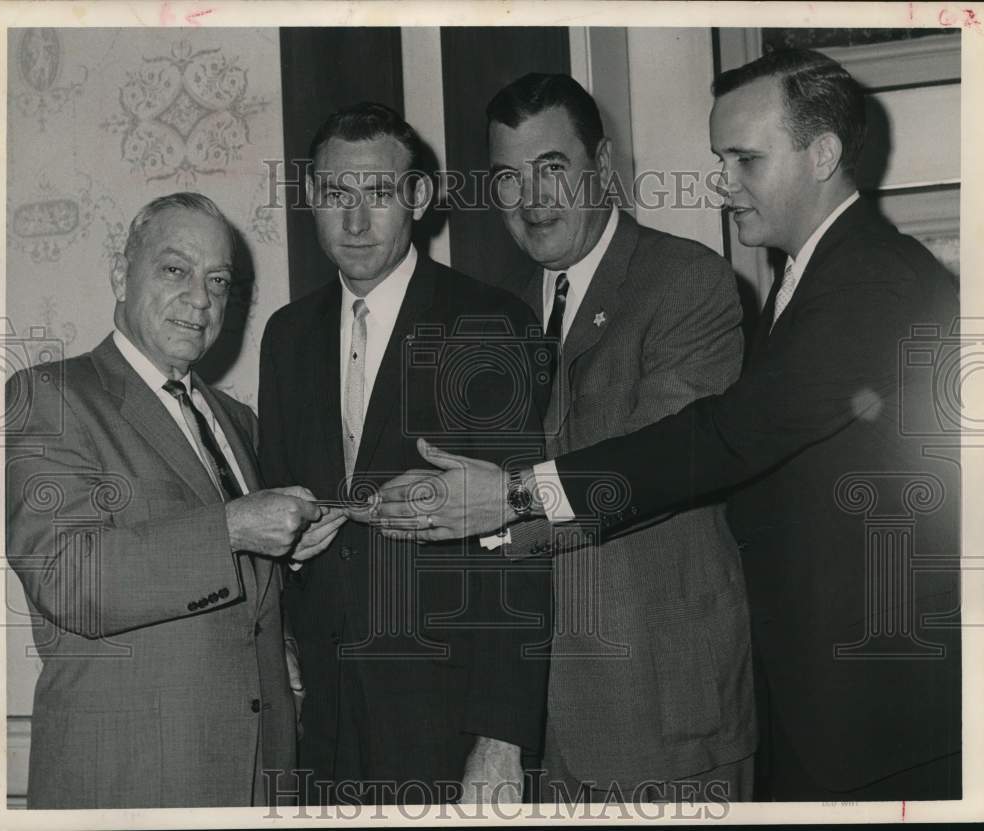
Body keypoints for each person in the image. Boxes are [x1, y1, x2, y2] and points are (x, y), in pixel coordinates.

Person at [367, 50, 962, 801]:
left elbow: (717, 440)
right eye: (508, 178)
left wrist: (512, 496)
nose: (722, 182)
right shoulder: (798, 275)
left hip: (846, 724)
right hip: (598, 729)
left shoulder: (857, 278)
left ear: (823, 154)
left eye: (745, 158)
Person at [5, 192, 346, 808]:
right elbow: (66, 576)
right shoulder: (49, 397)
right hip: (131, 783)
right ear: (120, 271)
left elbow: (247, 604)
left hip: (260, 778)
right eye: (175, 269)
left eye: (219, 280)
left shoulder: (237, 420)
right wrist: (233, 530)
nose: (201, 298)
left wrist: (288, 557)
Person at [257, 102, 550, 805]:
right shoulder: (287, 336)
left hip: (447, 716)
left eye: (379, 194)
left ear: (418, 197)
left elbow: (520, 538)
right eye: (336, 195)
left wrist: (501, 735)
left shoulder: (488, 321)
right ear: (310, 198)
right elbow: (277, 517)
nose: (355, 223)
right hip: (322, 718)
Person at [476, 73, 755, 802]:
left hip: (663, 725)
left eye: (552, 169)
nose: (531, 200)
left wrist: (491, 511)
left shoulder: (687, 282)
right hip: (533, 732)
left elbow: (650, 468)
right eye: (508, 178)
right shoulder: (492, 311)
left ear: (602, 167)